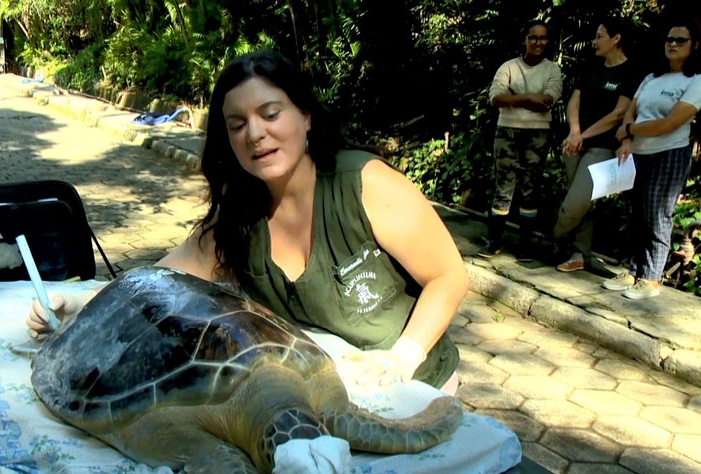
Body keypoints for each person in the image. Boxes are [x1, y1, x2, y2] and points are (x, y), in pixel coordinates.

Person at [28, 50, 469, 394]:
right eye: (237, 124)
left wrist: (401, 358)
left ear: (306, 116)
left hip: (415, 386)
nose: (254, 134)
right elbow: (155, 281)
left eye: (270, 114)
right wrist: (80, 305)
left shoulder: (365, 184)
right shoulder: (237, 218)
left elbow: (448, 276)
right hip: (329, 391)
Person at [607, 18, 701, 299]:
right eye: (669, 39)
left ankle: (651, 277)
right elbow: (631, 110)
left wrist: (629, 130)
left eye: (680, 40)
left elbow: (669, 124)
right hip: (637, 153)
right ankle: (634, 270)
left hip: (670, 153)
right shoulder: (651, 77)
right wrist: (626, 138)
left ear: (694, 45)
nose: (672, 44)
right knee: (636, 213)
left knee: (657, 213)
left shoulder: (696, 80)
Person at [552, 17, 641, 273]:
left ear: (616, 39)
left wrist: (584, 136)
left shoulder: (631, 71)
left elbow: (618, 113)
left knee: (574, 204)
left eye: (600, 36)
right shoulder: (592, 66)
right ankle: (579, 254)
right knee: (581, 203)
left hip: (601, 147)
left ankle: (555, 238)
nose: (594, 41)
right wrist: (574, 132)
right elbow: (574, 101)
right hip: (574, 144)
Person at [481, 20, 563, 260]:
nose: (538, 42)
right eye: (533, 37)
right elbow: (495, 98)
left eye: (543, 38)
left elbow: (548, 101)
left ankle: (524, 247)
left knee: (530, 189)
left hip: (537, 134)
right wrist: (530, 98)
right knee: (503, 187)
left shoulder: (552, 69)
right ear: (525, 39)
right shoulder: (508, 67)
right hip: (507, 131)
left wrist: (515, 97)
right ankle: (494, 241)